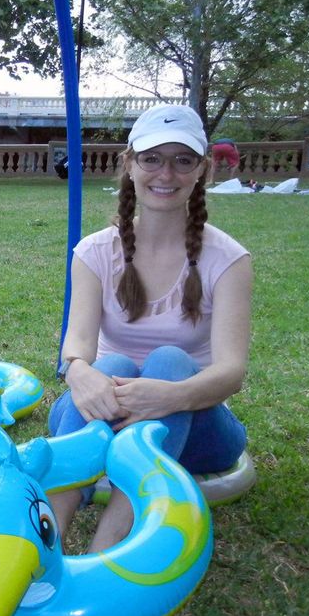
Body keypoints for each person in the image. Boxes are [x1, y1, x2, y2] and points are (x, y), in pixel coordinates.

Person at [48, 104, 252, 553]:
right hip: (104, 415)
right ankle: (53, 531)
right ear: (130, 163)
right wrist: (81, 374)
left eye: (183, 159)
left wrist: (170, 395)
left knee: (170, 361)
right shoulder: (94, 252)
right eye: (152, 157)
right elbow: (77, 348)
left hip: (197, 427)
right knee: (113, 362)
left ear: (203, 169)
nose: (166, 172)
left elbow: (231, 372)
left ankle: (113, 537)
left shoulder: (229, 260)